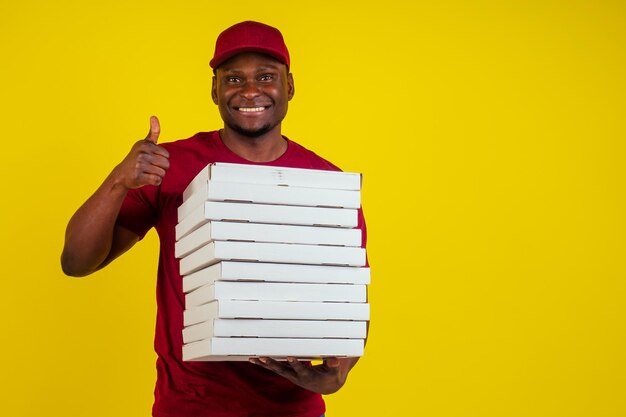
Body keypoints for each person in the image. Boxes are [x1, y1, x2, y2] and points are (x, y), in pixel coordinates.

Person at [61, 20, 367, 417]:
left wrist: (339, 371)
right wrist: (119, 179)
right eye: (233, 78)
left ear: (289, 86)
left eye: (266, 77)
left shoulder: (327, 183)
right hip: (190, 405)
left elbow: (350, 300)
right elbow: (76, 262)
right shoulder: (169, 165)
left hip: (294, 409)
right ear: (215, 90)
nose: (250, 90)